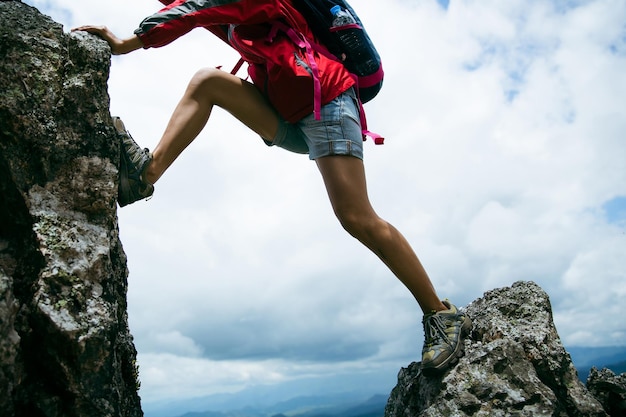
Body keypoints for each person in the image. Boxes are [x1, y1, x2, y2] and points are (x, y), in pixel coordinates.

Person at [73, 0, 471, 375]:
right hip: (288, 111)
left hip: (328, 104)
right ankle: (143, 176)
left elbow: (197, 9)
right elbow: (192, 7)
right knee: (208, 82)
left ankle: (440, 314)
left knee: (356, 217)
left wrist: (132, 41)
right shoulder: (233, 13)